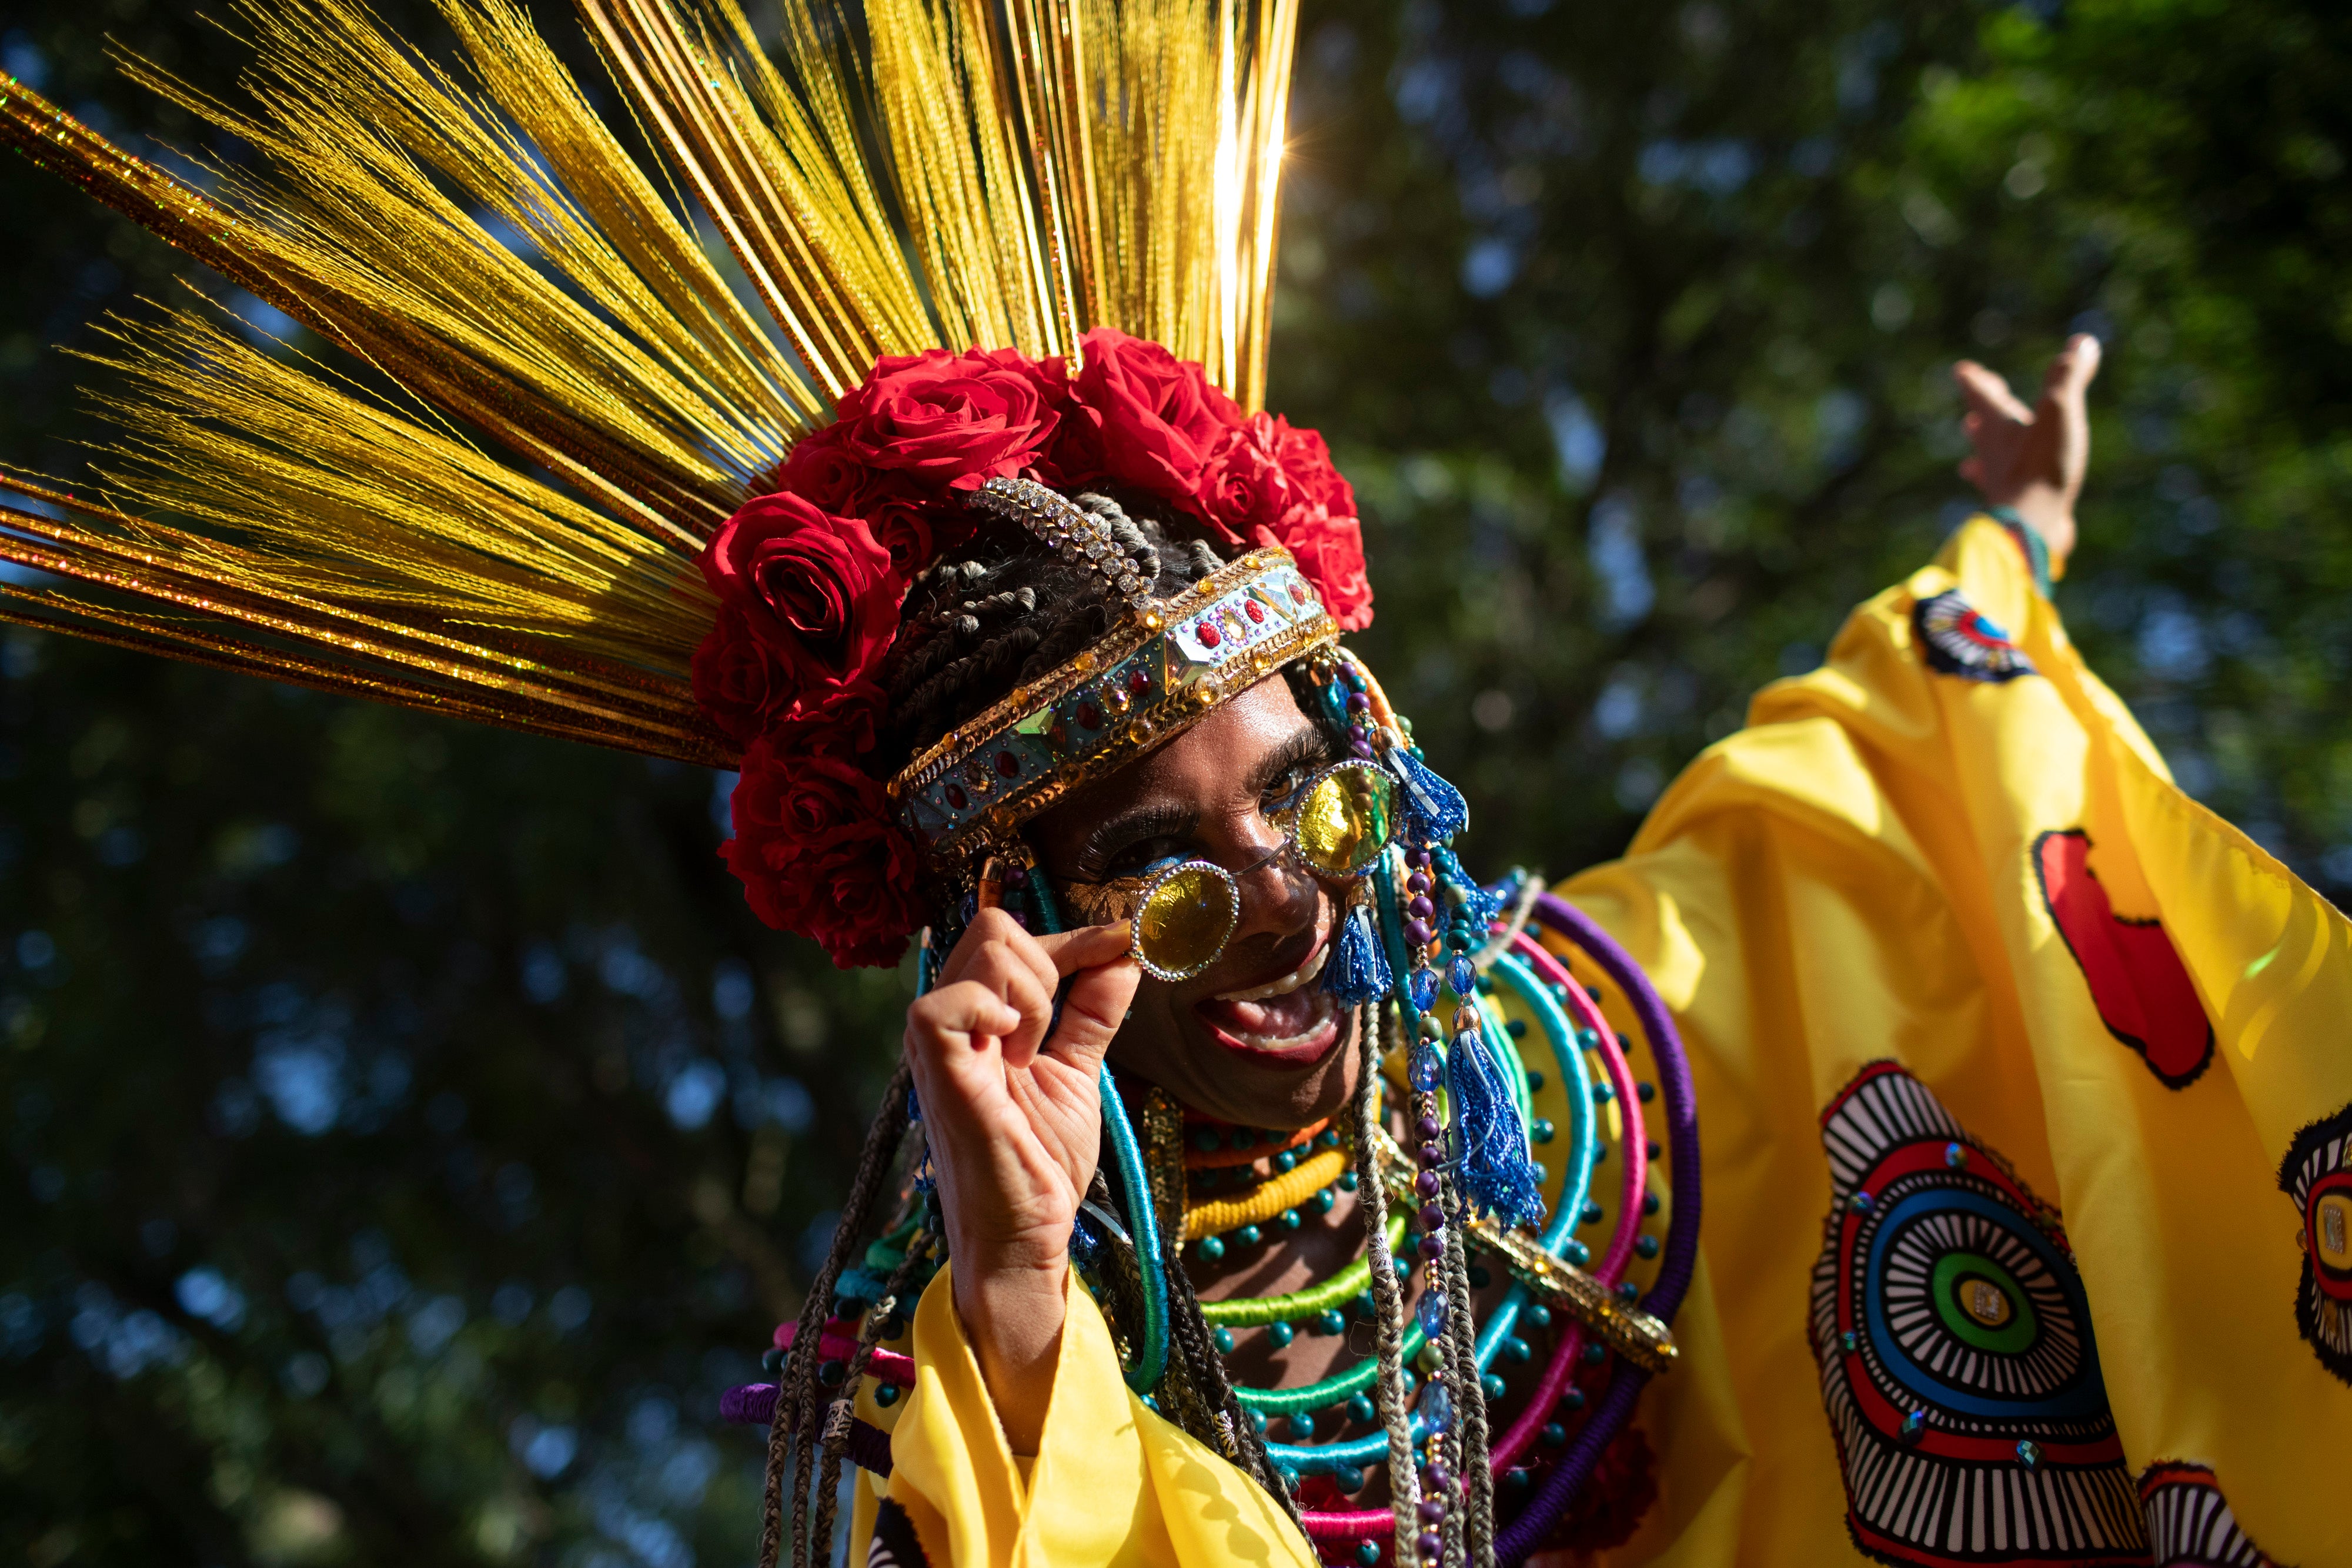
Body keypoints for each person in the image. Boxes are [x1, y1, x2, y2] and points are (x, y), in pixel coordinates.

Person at [2, 4, 2344, 1567]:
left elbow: (1888, 755)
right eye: (1173, 882)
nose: (1293, 903)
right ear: (1003, 927)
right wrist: (1022, 1301)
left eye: (1311, 807)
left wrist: (2012, 542)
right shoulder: (951, 1347)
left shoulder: (1593, 1034)